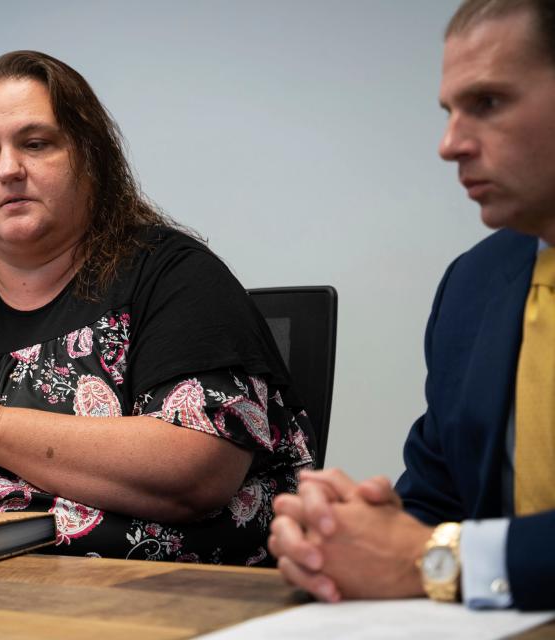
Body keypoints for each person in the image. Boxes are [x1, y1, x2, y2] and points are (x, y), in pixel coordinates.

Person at [0, 50, 315, 565]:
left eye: (35, 143)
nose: (7, 169)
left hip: (151, 599)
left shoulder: (172, 275)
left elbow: (196, 470)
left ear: (91, 157)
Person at [268, 0, 555, 611]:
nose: (449, 145)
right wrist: (345, 538)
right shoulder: (473, 283)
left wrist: (429, 559)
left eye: (488, 103)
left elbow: (434, 550)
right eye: (450, 111)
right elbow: (438, 501)